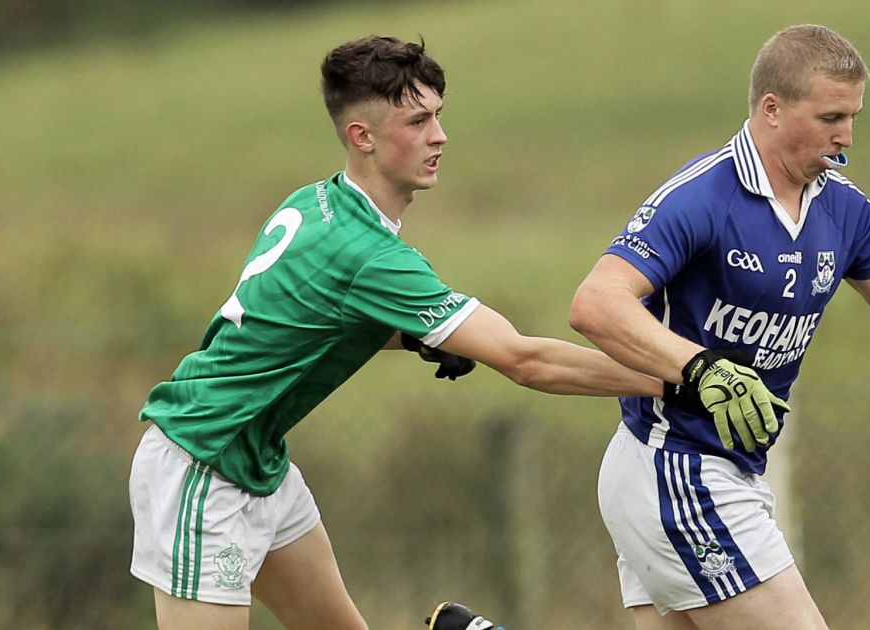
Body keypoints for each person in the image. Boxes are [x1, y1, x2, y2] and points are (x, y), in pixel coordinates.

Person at [128, 35, 658, 629]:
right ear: (363, 137)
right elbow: (524, 359)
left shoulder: (316, 202)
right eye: (418, 120)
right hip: (203, 460)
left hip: (258, 461)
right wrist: (672, 380)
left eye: (438, 116)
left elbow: (311, 320)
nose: (439, 136)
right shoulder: (371, 255)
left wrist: (414, 337)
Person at [568, 24, 870, 630]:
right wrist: (699, 369)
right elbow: (596, 303)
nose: (846, 136)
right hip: (677, 463)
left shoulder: (843, 207)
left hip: (723, 471)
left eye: (853, 117)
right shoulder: (703, 197)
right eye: (831, 116)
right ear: (771, 109)